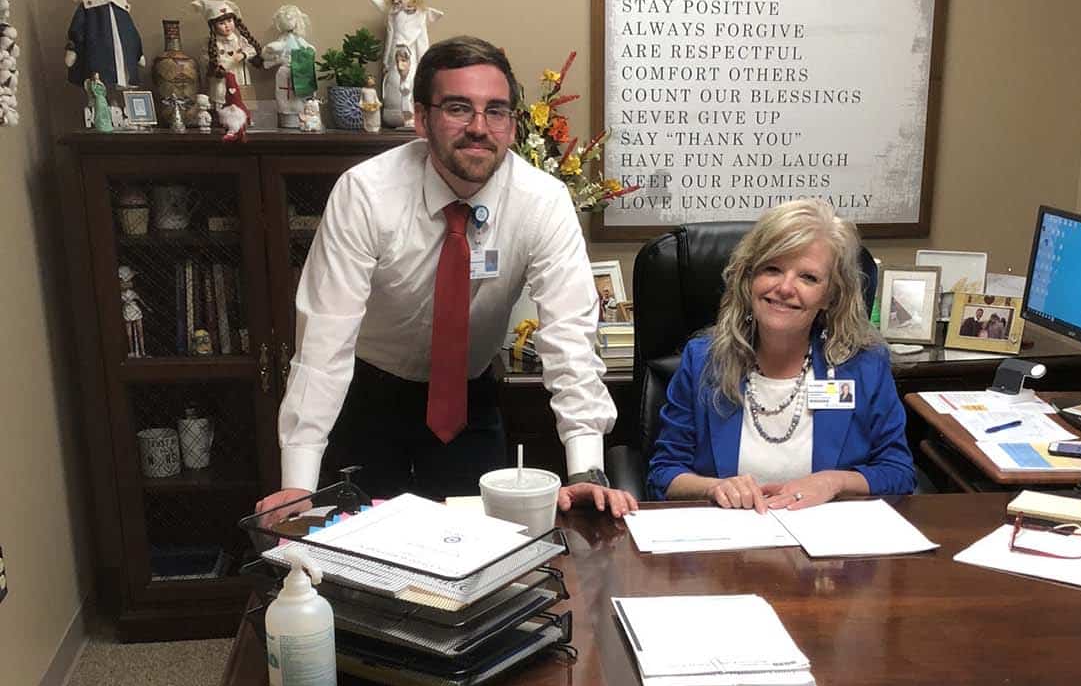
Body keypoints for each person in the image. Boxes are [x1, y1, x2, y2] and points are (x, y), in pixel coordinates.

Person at [256, 36, 636, 518]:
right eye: (459, 108)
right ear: (421, 118)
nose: (479, 128)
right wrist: (298, 484)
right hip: (369, 396)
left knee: (479, 553)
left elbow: (570, 339)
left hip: (467, 400)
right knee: (365, 559)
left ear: (513, 125)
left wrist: (585, 470)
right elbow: (324, 339)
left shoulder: (542, 202)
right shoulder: (367, 194)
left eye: (496, 111)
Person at [647, 199, 914, 511]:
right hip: (727, 545)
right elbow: (663, 474)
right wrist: (715, 488)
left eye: (808, 277)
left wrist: (834, 481)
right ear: (748, 279)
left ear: (830, 295)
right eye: (772, 269)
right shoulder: (704, 360)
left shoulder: (864, 365)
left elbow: (899, 473)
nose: (785, 288)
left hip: (828, 549)